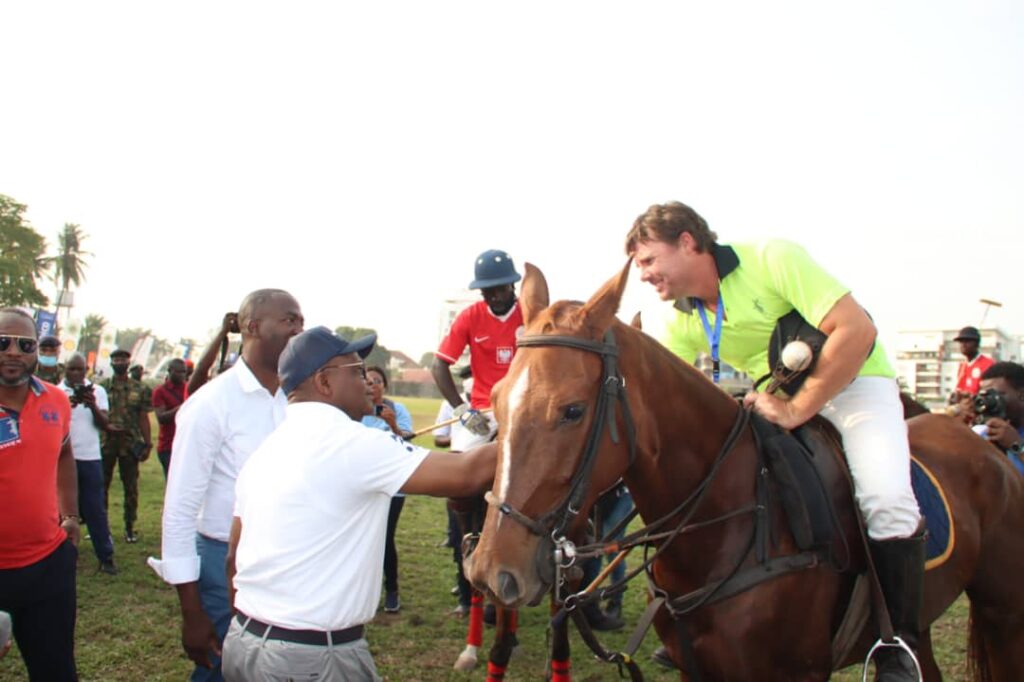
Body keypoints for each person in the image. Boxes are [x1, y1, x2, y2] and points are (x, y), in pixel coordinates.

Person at [626, 201, 924, 681]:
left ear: (686, 241)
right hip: (778, 403)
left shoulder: (772, 258)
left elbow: (857, 329)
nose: (643, 275)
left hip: (857, 387)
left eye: (648, 260)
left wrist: (796, 408)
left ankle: (899, 646)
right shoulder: (679, 319)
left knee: (886, 499)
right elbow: (678, 405)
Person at [222, 326, 496, 682]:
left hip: (244, 641)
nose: (368, 380)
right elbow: (468, 474)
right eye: (356, 371)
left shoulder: (264, 451)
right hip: (311, 659)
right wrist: (541, 427)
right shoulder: (352, 443)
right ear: (323, 382)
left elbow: (232, 557)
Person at [148, 289, 303, 682]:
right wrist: (192, 612)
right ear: (252, 327)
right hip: (220, 562)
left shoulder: (299, 400)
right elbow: (180, 511)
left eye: (301, 321)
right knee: (225, 668)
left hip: (282, 560)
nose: (299, 330)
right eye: (289, 320)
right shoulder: (211, 404)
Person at [0, 308, 80, 681]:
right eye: (3, 342)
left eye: (24, 344)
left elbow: (64, 452)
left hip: (47, 565)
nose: (13, 351)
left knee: (55, 671)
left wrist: (71, 515)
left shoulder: (56, 401)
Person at [431, 249, 524, 452]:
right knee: (458, 464)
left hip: (526, 408)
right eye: (487, 290)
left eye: (500, 288)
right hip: (486, 411)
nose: (495, 296)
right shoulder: (470, 317)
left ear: (512, 285)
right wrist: (463, 410)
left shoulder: (531, 315)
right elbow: (439, 365)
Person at [360, 365, 413, 613]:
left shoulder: (397, 410)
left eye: (377, 381)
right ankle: (362, 590)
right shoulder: (354, 411)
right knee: (360, 540)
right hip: (361, 486)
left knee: (384, 538)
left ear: (385, 386)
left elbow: (406, 445)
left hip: (391, 489)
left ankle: (392, 590)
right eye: (368, 381)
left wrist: (393, 425)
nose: (372, 385)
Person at [61, 353, 118, 575]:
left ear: (86, 370)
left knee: (95, 509)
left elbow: (105, 424)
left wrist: (91, 404)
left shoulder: (98, 391)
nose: (76, 374)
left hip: (90, 458)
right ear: (64, 369)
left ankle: (106, 557)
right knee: (61, 511)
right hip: (63, 459)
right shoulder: (56, 392)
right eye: (72, 369)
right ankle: (64, 557)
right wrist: (68, 406)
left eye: (80, 370)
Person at [100, 348, 153, 544]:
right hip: (106, 443)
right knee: (101, 487)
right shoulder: (101, 388)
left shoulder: (140, 389)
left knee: (130, 487)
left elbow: (143, 418)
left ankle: (130, 527)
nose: (119, 362)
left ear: (128, 362)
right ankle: (101, 527)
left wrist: (148, 444)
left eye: (123, 359)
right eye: (116, 359)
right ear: (111, 362)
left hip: (130, 444)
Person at [973, 362, 1024, 475]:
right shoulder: (981, 434)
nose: (990, 402)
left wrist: (1016, 445)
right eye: (985, 396)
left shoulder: (1015, 440)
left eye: (996, 395)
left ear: (1021, 395)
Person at [187, 312, 240, 398]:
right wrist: (223, 332)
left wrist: (223, 331)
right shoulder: (203, 395)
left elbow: (201, 369)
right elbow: (201, 370)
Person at [152, 358, 188, 478]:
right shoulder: (160, 392)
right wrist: (183, 407)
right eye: (179, 372)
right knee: (172, 482)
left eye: (184, 372)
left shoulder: (188, 389)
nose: (182, 375)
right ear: (170, 371)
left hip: (185, 444)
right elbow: (161, 417)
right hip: (168, 445)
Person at [950, 326, 995, 402]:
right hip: (963, 407)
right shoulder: (962, 366)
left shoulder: (989, 364)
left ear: (977, 344)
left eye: (967, 341)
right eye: (961, 342)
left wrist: (969, 395)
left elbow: (990, 392)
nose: (963, 345)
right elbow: (959, 389)